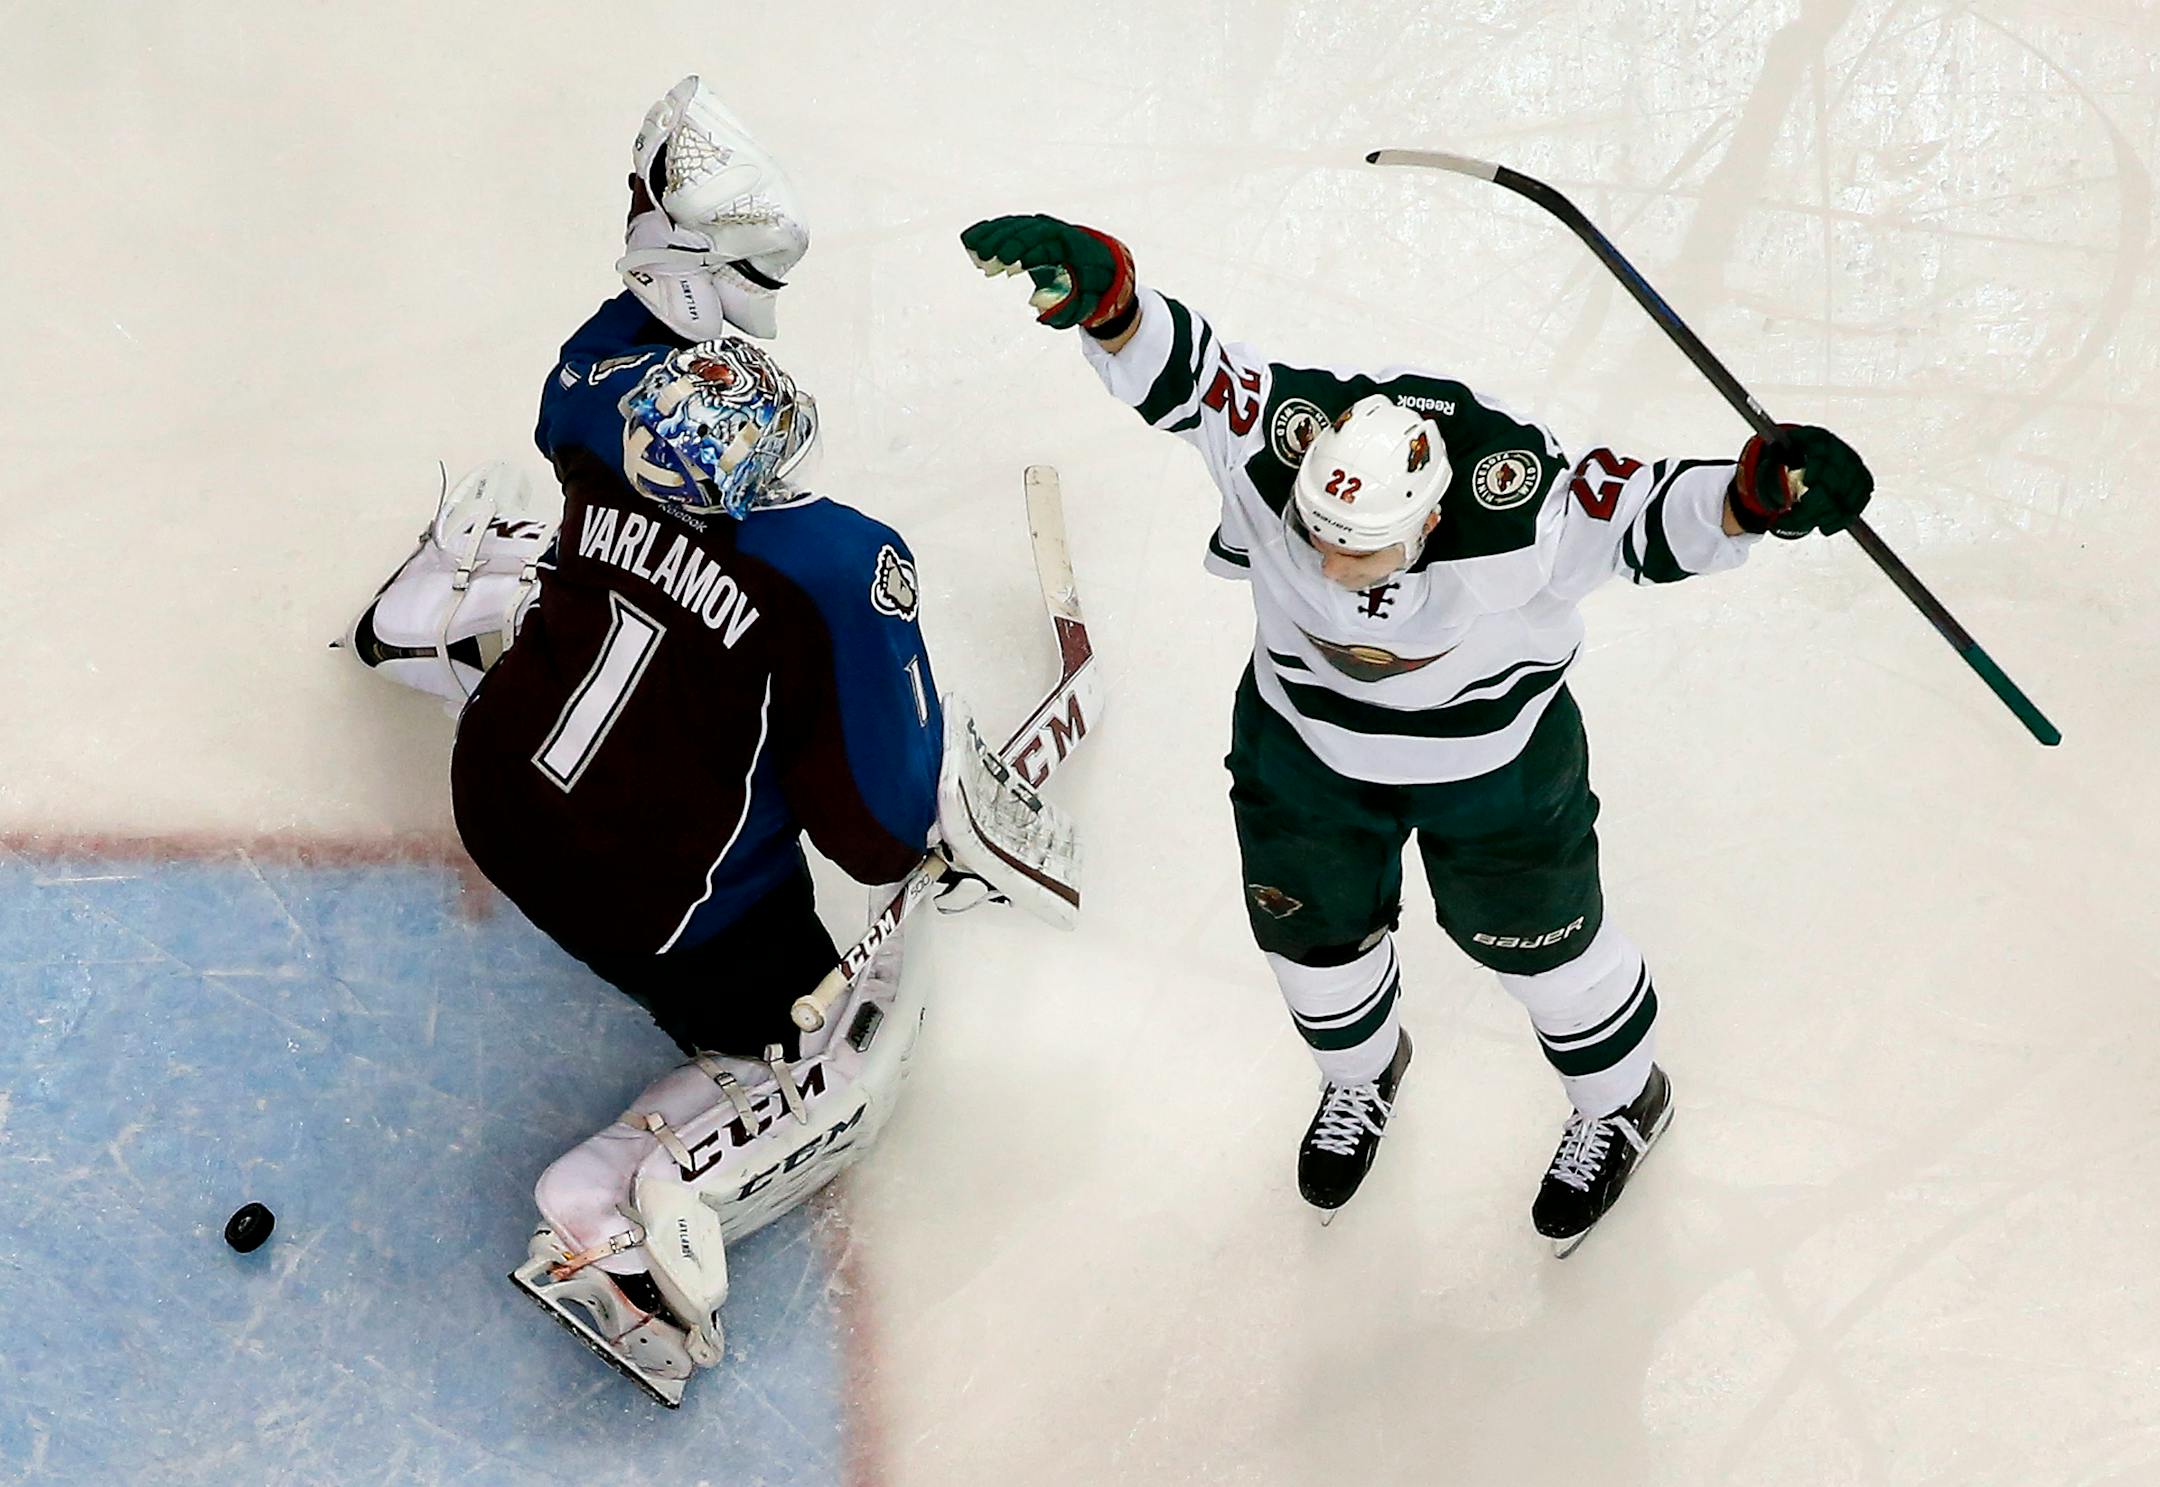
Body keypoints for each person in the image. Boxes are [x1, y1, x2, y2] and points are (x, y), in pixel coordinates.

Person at [335, 82, 1058, 1407]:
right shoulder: (844, 563)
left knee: (581, 596)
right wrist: (941, 811)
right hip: (654, 906)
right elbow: (876, 827)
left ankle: (435, 612)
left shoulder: (591, 382)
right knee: (830, 1026)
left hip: (495, 786)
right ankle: (626, 1212)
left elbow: (618, 384)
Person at [960, 213, 1874, 1253]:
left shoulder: (1524, 507)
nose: (1328, 560)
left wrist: (1759, 495)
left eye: (1361, 547)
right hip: (1304, 754)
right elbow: (1192, 371)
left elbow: (1652, 511)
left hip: (1497, 775)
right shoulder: (1283, 445)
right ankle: (1363, 1074)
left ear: (1431, 519)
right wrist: (1111, 302)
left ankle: (1625, 1097)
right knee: (1307, 939)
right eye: (1316, 531)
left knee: (1547, 951)